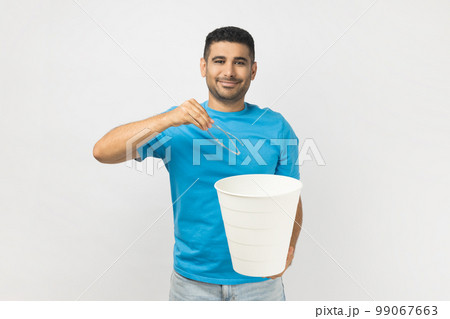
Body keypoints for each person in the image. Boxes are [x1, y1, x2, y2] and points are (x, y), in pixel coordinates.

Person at [93, 26, 303, 301]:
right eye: (219, 61)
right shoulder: (177, 124)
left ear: (252, 71)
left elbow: (290, 199)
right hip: (192, 284)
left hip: (261, 283)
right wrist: (167, 119)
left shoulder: (276, 127)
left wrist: (289, 247)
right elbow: (102, 151)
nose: (229, 71)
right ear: (204, 67)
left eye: (239, 62)